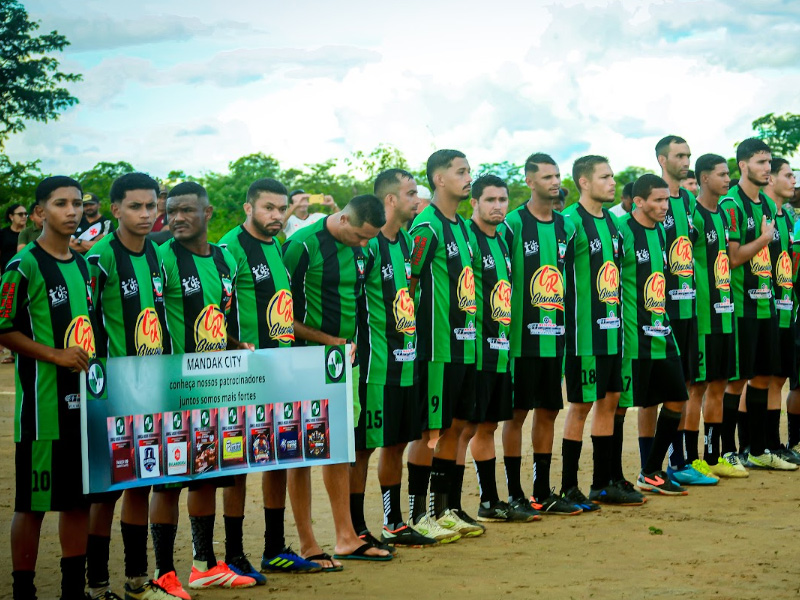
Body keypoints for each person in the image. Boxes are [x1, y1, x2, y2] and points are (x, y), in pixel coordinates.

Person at [219, 179, 330, 574]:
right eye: (268, 208)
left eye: (281, 209)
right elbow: (214, 310)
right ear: (248, 207)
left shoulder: (278, 247)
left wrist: (326, 342)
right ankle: (233, 554)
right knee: (237, 465)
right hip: (242, 374)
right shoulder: (229, 248)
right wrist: (234, 345)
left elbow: (284, 314)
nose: (276, 216)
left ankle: (274, 548)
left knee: (276, 459)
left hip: (280, 370)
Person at [155, 181, 258, 593]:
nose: (176, 218)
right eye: (171, 211)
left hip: (214, 387)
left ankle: (204, 565)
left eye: (186, 210)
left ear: (208, 213)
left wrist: (237, 346)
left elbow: (217, 317)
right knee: (165, 481)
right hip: (170, 389)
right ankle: (164, 572)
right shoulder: (159, 259)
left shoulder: (223, 259)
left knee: (206, 476)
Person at [282, 194, 393, 561]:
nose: (365, 244)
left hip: (345, 363)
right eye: (360, 235)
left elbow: (366, 303)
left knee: (340, 450)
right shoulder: (302, 246)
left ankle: (346, 537)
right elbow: (281, 315)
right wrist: (329, 341)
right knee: (301, 454)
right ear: (343, 219)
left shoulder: (367, 248)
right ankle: (308, 544)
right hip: (303, 361)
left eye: (370, 238)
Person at [84, 172, 179, 600]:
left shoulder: (157, 255)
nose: (146, 214)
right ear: (115, 209)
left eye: (151, 206)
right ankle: (97, 583)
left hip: (151, 389)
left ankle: (137, 580)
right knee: (107, 492)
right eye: (136, 207)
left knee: (142, 484)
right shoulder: (98, 258)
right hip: (110, 393)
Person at [2, 176, 95, 600]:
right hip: (43, 410)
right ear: (39, 213)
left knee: (78, 502)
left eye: (76, 203)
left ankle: (73, 590)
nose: (72, 211)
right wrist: (55, 355)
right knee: (33, 505)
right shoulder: (22, 266)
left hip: (84, 408)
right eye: (61, 204)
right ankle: (24, 591)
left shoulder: (84, 266)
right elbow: (3, 328)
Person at [349, 169, 436, 547]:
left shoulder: (407, 243)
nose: (418, 200)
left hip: (406, 361)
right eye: (412, 193)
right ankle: (354, 527)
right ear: (390, 200)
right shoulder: (365, 246)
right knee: (363, 448)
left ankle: (393, 521)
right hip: (373, 367)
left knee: (397, 443)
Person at [500, 154, 582, 517]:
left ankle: (541, 490)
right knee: (516, 416)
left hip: (555, 338)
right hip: (520, 341)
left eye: (557, 175)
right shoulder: (512, 224)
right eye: (547, 176)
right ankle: (514, 492)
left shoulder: (567, 226)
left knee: (549, 412)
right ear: (529, 181)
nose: (554, 182)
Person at [406, 149, 481, 541]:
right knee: (429, 432)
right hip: (436, 349)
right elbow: (410, 284)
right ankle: (418, 515)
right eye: (461, 171)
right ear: (438, 179)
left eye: (469, 170)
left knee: (455, 428)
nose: (469, 177)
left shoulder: (465, 228)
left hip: (465, 345)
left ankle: (445, 508)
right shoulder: (426, 226)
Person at [561, 155, 644, 509]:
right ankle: (568, 486)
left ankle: (602, 483)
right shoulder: (568, 222)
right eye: (605, 177)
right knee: (580, 407)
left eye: (612, 176)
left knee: (609, 403)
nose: (613, 183)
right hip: (584, 336)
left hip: (613, 333)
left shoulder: (613, 222)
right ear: (584, 182)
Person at [720, 138, 796, 470]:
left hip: (766, 304)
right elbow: (734, 258)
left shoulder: (766, 204)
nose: (766, 168)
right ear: (743, 165)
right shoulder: (731, 203)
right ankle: (727, 451)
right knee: (737, 380)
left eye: (768, 162)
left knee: (764, 377)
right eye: (760, 162)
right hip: (740, 306)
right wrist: (764, 239)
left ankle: (760, 449)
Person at [470, 170, 541, 523]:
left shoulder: (501, 240)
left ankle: (497, 500)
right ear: (474, 203)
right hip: (474, 352)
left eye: (502, 200)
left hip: (501, 351)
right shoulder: (468, 240)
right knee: (471, 427)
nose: (498, 207)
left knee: (489, 426)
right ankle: (486, 499)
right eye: (490, 200)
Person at [617, 174, 690, 495]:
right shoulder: (621, 231)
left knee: (677, 398)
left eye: (667, 200)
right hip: (632, 336)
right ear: (639, 202)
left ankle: (651, 470)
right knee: (618, 407)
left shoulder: (660, 232)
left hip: (662, 331)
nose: (665, 206)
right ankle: (611, 477)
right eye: (658, 201)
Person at [650, 136, 713, 485]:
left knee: (686, 385)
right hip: (659, 308)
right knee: (653, 395)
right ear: (662, 159)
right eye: (679, 155)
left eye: (688, 154)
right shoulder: (652, 197)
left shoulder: (688, 199)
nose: (686, 160)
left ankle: (679, 461)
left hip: (688, 306)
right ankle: (651, 463)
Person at [689, 154, 744, 478]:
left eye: (728, 174)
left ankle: (712, 456)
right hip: (702, 317)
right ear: (704, 178)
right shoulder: (692, 216)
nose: (728, 179)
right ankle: (688, 458)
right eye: (722, 174)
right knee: (697, 388)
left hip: (725, 313)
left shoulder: (722, 216)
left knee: (720, 385)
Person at [763, 158, 800, 464]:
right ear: (771, 179)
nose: (793, 181)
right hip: (764, 309)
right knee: (762, 379)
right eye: (788, 175)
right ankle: (757, 445)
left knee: (778, 379)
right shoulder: (760, 216)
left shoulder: (787, 217)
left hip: (787, 309)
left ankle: (774, 444)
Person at [0, 203, 28, 270]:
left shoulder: (30, 233)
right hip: (7, 274)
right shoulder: (3, 233)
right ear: (11, 216)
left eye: (26, 214)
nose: (24, 216)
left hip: (26, 272)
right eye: (20, 214)